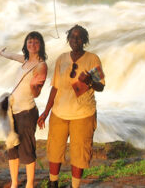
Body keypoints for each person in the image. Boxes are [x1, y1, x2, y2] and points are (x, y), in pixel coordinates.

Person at [37, 25, 105, 188]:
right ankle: (53, 182)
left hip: (83, 114)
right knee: (55, 150)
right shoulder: (62, 59)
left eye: (79, 37)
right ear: (68, 39)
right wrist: (46, 112)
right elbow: (55, 87)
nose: (75, 40)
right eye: (72, 37)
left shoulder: (92, 59)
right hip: (59, 112)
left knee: (79, 153)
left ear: (85, 40)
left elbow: (101, 86)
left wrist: (91, 82)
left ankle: (75, 186)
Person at [0, 31, 48, 188]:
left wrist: (34, 87)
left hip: (27, 112)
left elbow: (37, 93)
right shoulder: (26, 60)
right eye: (29, 42)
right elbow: (14, 57)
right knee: (12, 148)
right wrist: (3, 53)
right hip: (13, 110)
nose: (32, 44)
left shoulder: (41, 65)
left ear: (41, 45)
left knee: (27, 150)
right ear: (26, 44)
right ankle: (14, 183)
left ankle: (30, 184)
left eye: (36, 42)